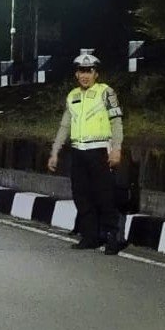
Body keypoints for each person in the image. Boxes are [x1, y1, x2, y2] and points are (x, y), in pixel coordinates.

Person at [47, 50, 125, 254]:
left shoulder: (106, 92)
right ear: (76, 74)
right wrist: (55, 152)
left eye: (89, 71)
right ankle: (90, 236)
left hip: (99, 151)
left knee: (104, 196)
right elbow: (65, 126)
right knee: (81, 195)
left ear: (96, 73)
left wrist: (116, 149)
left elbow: (116, 122)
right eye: (81, 71)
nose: (85, 75)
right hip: (78, 152)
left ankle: (111, 237)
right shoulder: (72, 95)